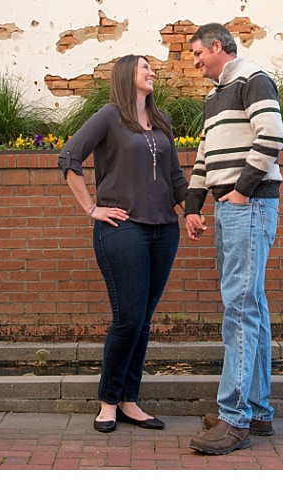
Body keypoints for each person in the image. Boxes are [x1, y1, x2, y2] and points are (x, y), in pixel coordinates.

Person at [59, 54, 188, 433]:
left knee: (143, 320)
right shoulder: (109, 115)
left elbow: (175, 177)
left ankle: (130, 400)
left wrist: (193, 209)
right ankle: (108, 401)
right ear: (126, 75)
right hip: (122, 229)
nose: (152, 72)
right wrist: (91, 207)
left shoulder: (160, 120)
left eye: (151, 68)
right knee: (128, 318)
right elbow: (69, 156)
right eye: (144, 67)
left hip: (164, 230)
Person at [182, 22, 283, 456]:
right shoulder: (212, 98)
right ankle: (258, 410)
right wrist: (192, 207)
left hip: (250, 204)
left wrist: (241, 191)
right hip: (231, 207)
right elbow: (206, 157)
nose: (194, 61)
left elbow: (273, 135)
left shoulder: (253, 79)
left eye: (197, 53)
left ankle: (235, 418)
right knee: (251, 306)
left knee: (240, 309)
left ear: (218, 46)